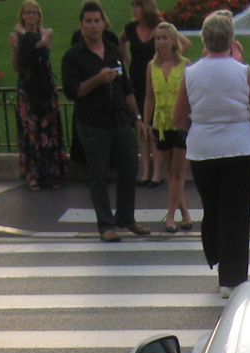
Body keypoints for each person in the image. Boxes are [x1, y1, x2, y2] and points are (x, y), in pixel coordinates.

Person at [174, 8, 250, 295]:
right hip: (238, 148)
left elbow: (178, 118)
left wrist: (202, 125)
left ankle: (215, 254)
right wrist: (243, 124)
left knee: (213, 208)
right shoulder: (242, 72)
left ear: (204, 39)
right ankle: (232, 277)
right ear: (231, 39)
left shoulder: (190, 73)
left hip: (202, 149)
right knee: (236, 213)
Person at [63, 0, 150, 241]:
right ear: (81, 25)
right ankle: (105, 225)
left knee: (130, 166)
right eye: (88, 22)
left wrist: (138, 119)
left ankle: (126, 217)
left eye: (97, 21)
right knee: (99, 174)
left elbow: (127, 89)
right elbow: (73, 92)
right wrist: (97, 80)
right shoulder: (74, 56)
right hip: (92, 123)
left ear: (104, 24)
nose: (93, 26)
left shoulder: (113, 51)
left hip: (120, 119)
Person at [10, 0, 67, 189]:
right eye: (28, 13)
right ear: (22, 15)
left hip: (44, 85)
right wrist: (16, 47)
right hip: (27, 87)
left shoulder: (46, 33)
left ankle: (52, 171)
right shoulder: (16, 38)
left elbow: (38, 44)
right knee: (31, 131)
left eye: (35, 13)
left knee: (48, 129)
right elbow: (18, 65)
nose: (31, 16)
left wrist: (23, 33)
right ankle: (33, 173)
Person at [142, 20, 193, 230]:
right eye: (158, 38)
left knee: (178, 172)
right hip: (161, 124)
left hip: (181, 123)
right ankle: (185, 213)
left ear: (174, 41)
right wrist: (146, 123)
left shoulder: (186, 65)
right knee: (171, 173)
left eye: (165, 38)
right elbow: (149, 97)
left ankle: (170, 216)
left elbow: (191, 95)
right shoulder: (152, 66)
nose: (161, 42)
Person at [123, 0, 161, 186]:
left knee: (154, 125)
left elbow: (180, 43)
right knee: (142, 126)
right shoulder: (130, 28)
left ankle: (157, 172)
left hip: (155, 81)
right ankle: (145, 171)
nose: (134, 10)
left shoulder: (159, 27)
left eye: (137, 6)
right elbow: (120, 43)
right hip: (137, 80)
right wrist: (128, 62)